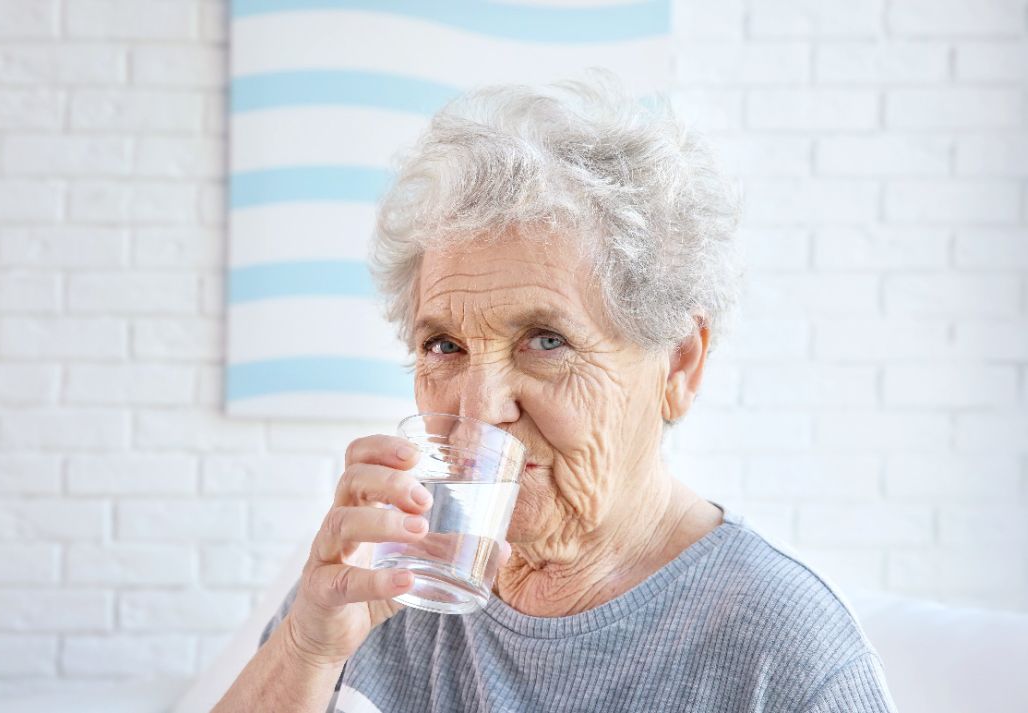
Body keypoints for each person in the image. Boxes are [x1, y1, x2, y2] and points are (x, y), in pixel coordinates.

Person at [214, 70, 898, 712]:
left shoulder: (784, 653)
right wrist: (306, 646)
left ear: (680, 365)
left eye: (546, 341)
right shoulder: (390, 580)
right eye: (444, 346)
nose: (478, 411)